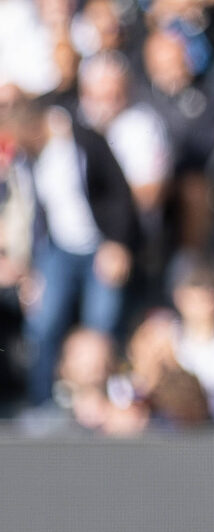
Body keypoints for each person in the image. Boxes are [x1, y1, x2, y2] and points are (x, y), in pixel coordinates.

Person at [6, 91, 142, 409]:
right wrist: (29, 270)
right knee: (43, 322)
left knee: (102, 325)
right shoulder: (27, 160)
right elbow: (32, 217)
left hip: (100, 245)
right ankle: (40, 403)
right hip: (57, 251)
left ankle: (106, 402)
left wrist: (119, 243)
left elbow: (118, 193)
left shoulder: (82, 140)